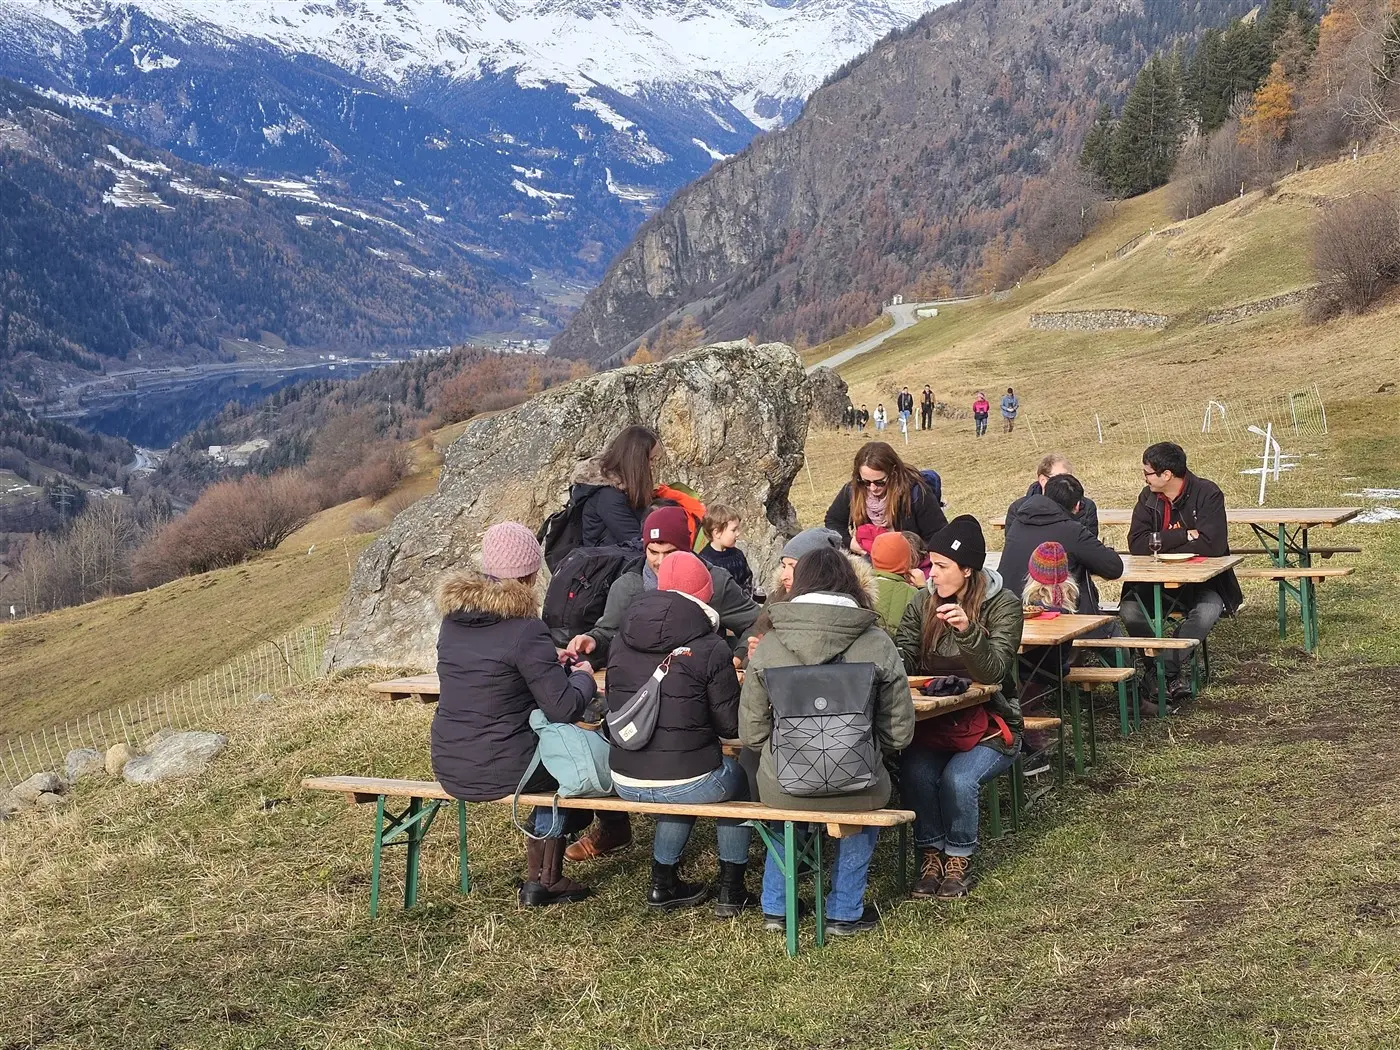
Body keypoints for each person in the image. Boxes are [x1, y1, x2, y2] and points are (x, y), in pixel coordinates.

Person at [564, 506, 760, 860]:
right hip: (648, 712)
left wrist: (740, 654)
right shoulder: (628, 586)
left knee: (680, 760)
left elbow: (756, 620)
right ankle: (617, 830)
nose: (658, 562)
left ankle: (665, 871)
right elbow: (611, 632)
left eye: (668, 553)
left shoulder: (713, 581)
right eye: (651, 552)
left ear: (687, 550)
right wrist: (593, 643)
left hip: (694, 702)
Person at [740, 546, 916, 935]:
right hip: (859, 783)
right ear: (852, 583)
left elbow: (750, 733)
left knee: (784, 801)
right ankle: (844, 911)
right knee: (864, 800)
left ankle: (776, 906)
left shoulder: (770, 644)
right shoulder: (877, 642)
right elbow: (900, 730)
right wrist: (868, 750)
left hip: (784, 786)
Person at [431, 522, 600, 906]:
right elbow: (563, 708)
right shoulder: (526, 628)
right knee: (567, 765)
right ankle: (547, 880)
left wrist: (543, 659)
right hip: (501, 768)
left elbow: (490, 667)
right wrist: (584, 677)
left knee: (542, 758)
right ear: (530, 573)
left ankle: (543, 873)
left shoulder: (453, 621)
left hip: (450, 761)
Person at [606, 551, 756, 917]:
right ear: (704, 595)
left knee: (680, 775)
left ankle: (663, 883)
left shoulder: (621, 638)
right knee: (734, 782)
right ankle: (731, 890)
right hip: (686, 779)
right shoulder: (710, 647)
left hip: (624, 776)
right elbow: (730, 727)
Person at [895, 515, 1024, 898]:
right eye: (930, 565)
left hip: (991, 722)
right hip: (935, 723)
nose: (931, 574)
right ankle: (931, 852)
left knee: (958, 779)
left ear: (967, 569)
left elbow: (996, 670)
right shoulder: (922, 603)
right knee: (915, 773)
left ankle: (959, 856)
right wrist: (889, 659)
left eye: (941, 566)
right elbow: (904, 652)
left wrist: (968, 631)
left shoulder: (1003, 604)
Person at [1124, 442, 1243, 702]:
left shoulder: (1207, 493)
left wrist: (1161, 540)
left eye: (1148, 473)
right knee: (1130, 610)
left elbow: (1213, 544)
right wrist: (1184, 534)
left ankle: (1163, 671)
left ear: (1166, 475)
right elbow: (1136, 544)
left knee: (1209, 609)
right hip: (1152, 583)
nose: (1144, 478)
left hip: (1202, 583)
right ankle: (1163, 673)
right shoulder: (1147, 498)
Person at [1000, 474, 1122, 616]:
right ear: (1077, 505)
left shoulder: (1018, 523)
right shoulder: (1073, 531)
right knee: (1111, 629)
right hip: (1055, 615)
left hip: (1010, 611)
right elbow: (1114, 567)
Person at [824, 441, 949, 553]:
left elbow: (937, 536)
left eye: (880, 482)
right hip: (871, 559)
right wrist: (849, 543)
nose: (873, 488)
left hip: (911, 563)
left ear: (893, 473)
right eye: (866, 482)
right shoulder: (853, 490)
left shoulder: (916, 493)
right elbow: (833, 521)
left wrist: (911, 555)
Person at [569, 425, 662, 549]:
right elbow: (637, 542)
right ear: (637, 462)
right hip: (609, 564)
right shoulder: (609, 497)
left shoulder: (623, 489)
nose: (653, 465)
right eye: (651, 459)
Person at [1014, 452, 1100, 536]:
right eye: (1060, 479)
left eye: (1069, 478)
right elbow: (1015, 544)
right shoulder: (1018, 509)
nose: (1067, 483)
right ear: (1043, 480)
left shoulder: (1086, 506)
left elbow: (1089, 543)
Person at [870, 531, 920, 637]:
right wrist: (922, 588)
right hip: (900, 650)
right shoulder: (912, 592)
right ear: (907, 559)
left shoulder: (860, 586)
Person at [698, 504, 754, 597]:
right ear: (717, 533)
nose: (738, 533)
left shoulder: (738, 554)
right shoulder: (705, 561)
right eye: (733, 530)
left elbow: (747, 578)